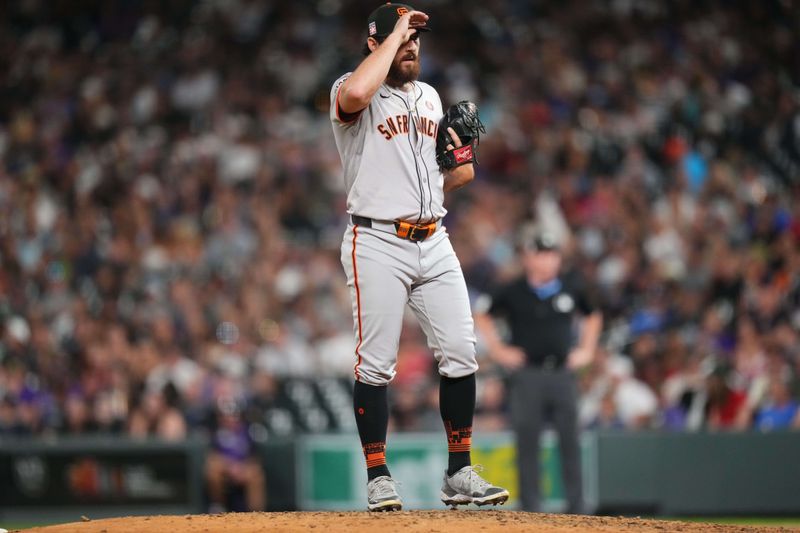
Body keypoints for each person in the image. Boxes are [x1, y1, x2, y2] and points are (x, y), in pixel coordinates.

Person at [329, 2, 509, 512]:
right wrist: (394, 36)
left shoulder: (429, 97)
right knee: (376, 365)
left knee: (461, 350)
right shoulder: (352, 87)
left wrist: (461, 166)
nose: (412, 46)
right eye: (403, 38)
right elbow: (358, 93)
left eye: (417, 40)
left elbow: (444, 179)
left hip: (433, 238)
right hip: (377, 240)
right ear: (376, 43)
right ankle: (378, 474)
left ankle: (459, 471)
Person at [475, 230, 602, 514]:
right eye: (540, 254)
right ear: (527, 258)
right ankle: (531, 508)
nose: (547, 261)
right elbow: (481, 313)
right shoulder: (514, 290)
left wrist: (587, 350)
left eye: (552, 254)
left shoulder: (571, 286)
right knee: (527, 441)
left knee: (570, 440)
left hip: (562, 374)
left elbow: (593, 314)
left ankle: (577, 506)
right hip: (527, 375)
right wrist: (498, 350)